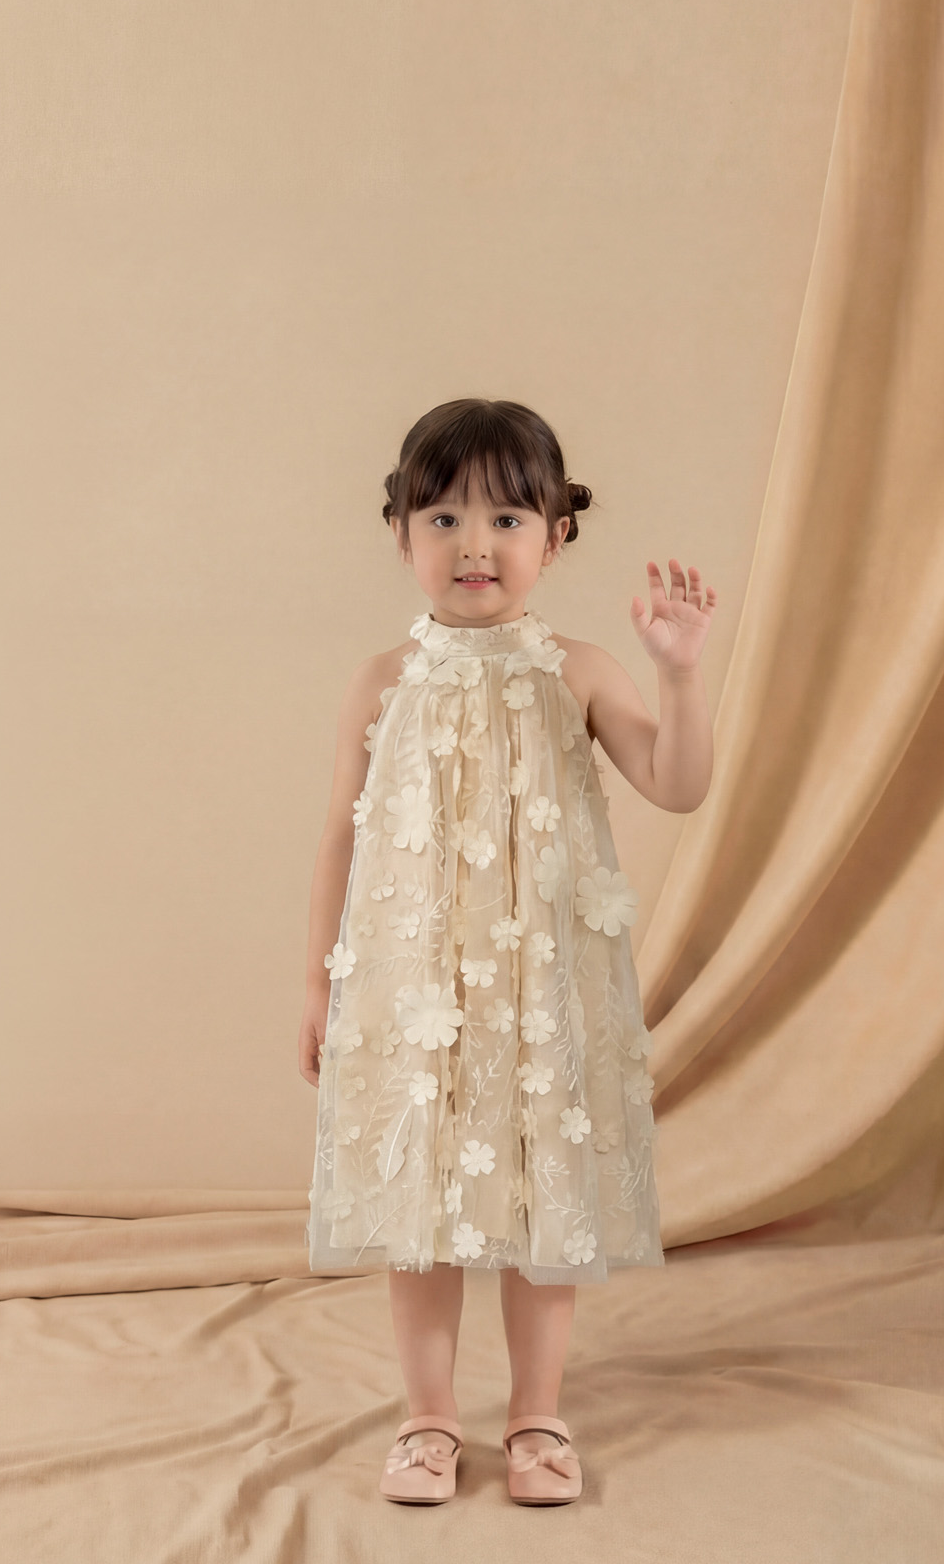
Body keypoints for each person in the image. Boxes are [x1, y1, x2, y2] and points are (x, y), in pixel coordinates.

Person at [297, 397, 716, 1505]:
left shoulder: (578, 671)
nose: (474, 544)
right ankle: (428, 1420)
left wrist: (678, 675)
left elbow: (677, 785)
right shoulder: (380, 681)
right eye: (442, 518)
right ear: (400, 533)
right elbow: (340, 836)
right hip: (413, 986)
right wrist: (318, 984)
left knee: (543, 1198)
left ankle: (537, 1416)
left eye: (506, 519)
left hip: (542, 990)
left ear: (556, 535)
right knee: (420, 1210)